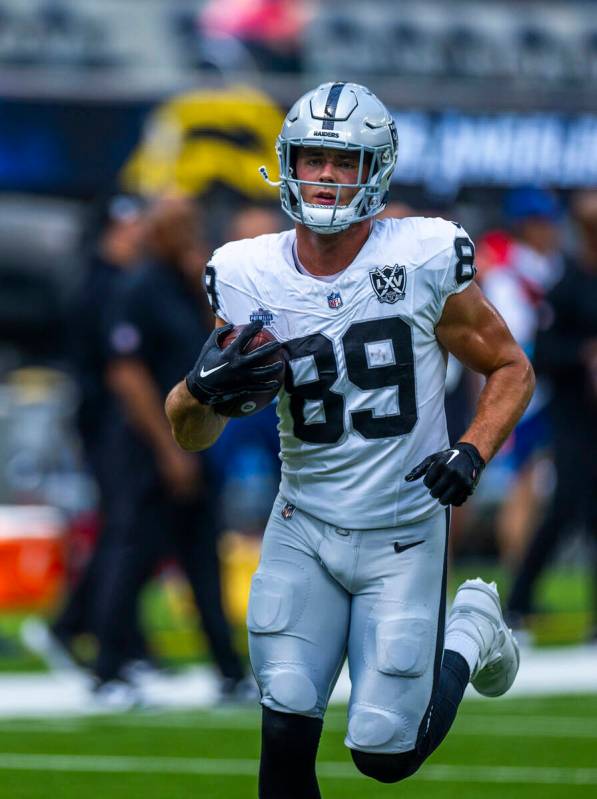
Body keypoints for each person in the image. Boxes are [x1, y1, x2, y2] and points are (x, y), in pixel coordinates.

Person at [165, 83, 534, 796]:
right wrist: (197, 390)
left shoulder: (424, 255)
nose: (325, 176)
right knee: (283, 728)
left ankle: (471, 628)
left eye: (343, 161)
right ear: (286, 162)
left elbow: (510, 366)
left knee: (383, 753)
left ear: (375, 169)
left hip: (403, 530)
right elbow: (193, 432)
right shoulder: (244, 273)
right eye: (312, 158)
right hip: (301, 523)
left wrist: (472, 448)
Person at [93, 194, 251, 705]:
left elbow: (219, 341)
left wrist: (195, 275)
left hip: (193, 437)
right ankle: (109, 670)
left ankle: (229, 670)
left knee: (203, 556)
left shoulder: (187, 286)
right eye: (177, 226)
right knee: (133, 554)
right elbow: (127, 375)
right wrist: (168, 451)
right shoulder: (137, 286)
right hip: (148, 445)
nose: (186, 234)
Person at [21, 194, 150, 672]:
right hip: (107, 423)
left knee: (135, 529)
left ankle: (114, 633)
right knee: (123, 528)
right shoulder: (102, 285)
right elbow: (111, 368)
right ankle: (77, 623)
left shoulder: (120, 281)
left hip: (119, 422)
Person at [507, 190, 597, 639]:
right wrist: (584, 354)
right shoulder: (568, 285)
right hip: (574, 412)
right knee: (565, 507)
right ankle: (519, 602)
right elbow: (541, 354)